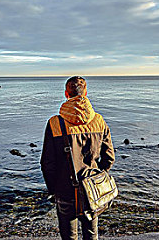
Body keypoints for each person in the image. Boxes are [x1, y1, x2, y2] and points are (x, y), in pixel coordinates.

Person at [40, 76, 115, 240]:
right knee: (91, 234)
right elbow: (109, 157)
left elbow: (47, 164)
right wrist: (98, 174)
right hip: (92, 188)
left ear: (66, 94)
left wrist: (53, 190)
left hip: (65, 189)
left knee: (69, 236)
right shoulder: (99, 121)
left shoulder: (55, 124)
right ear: (86, 93)